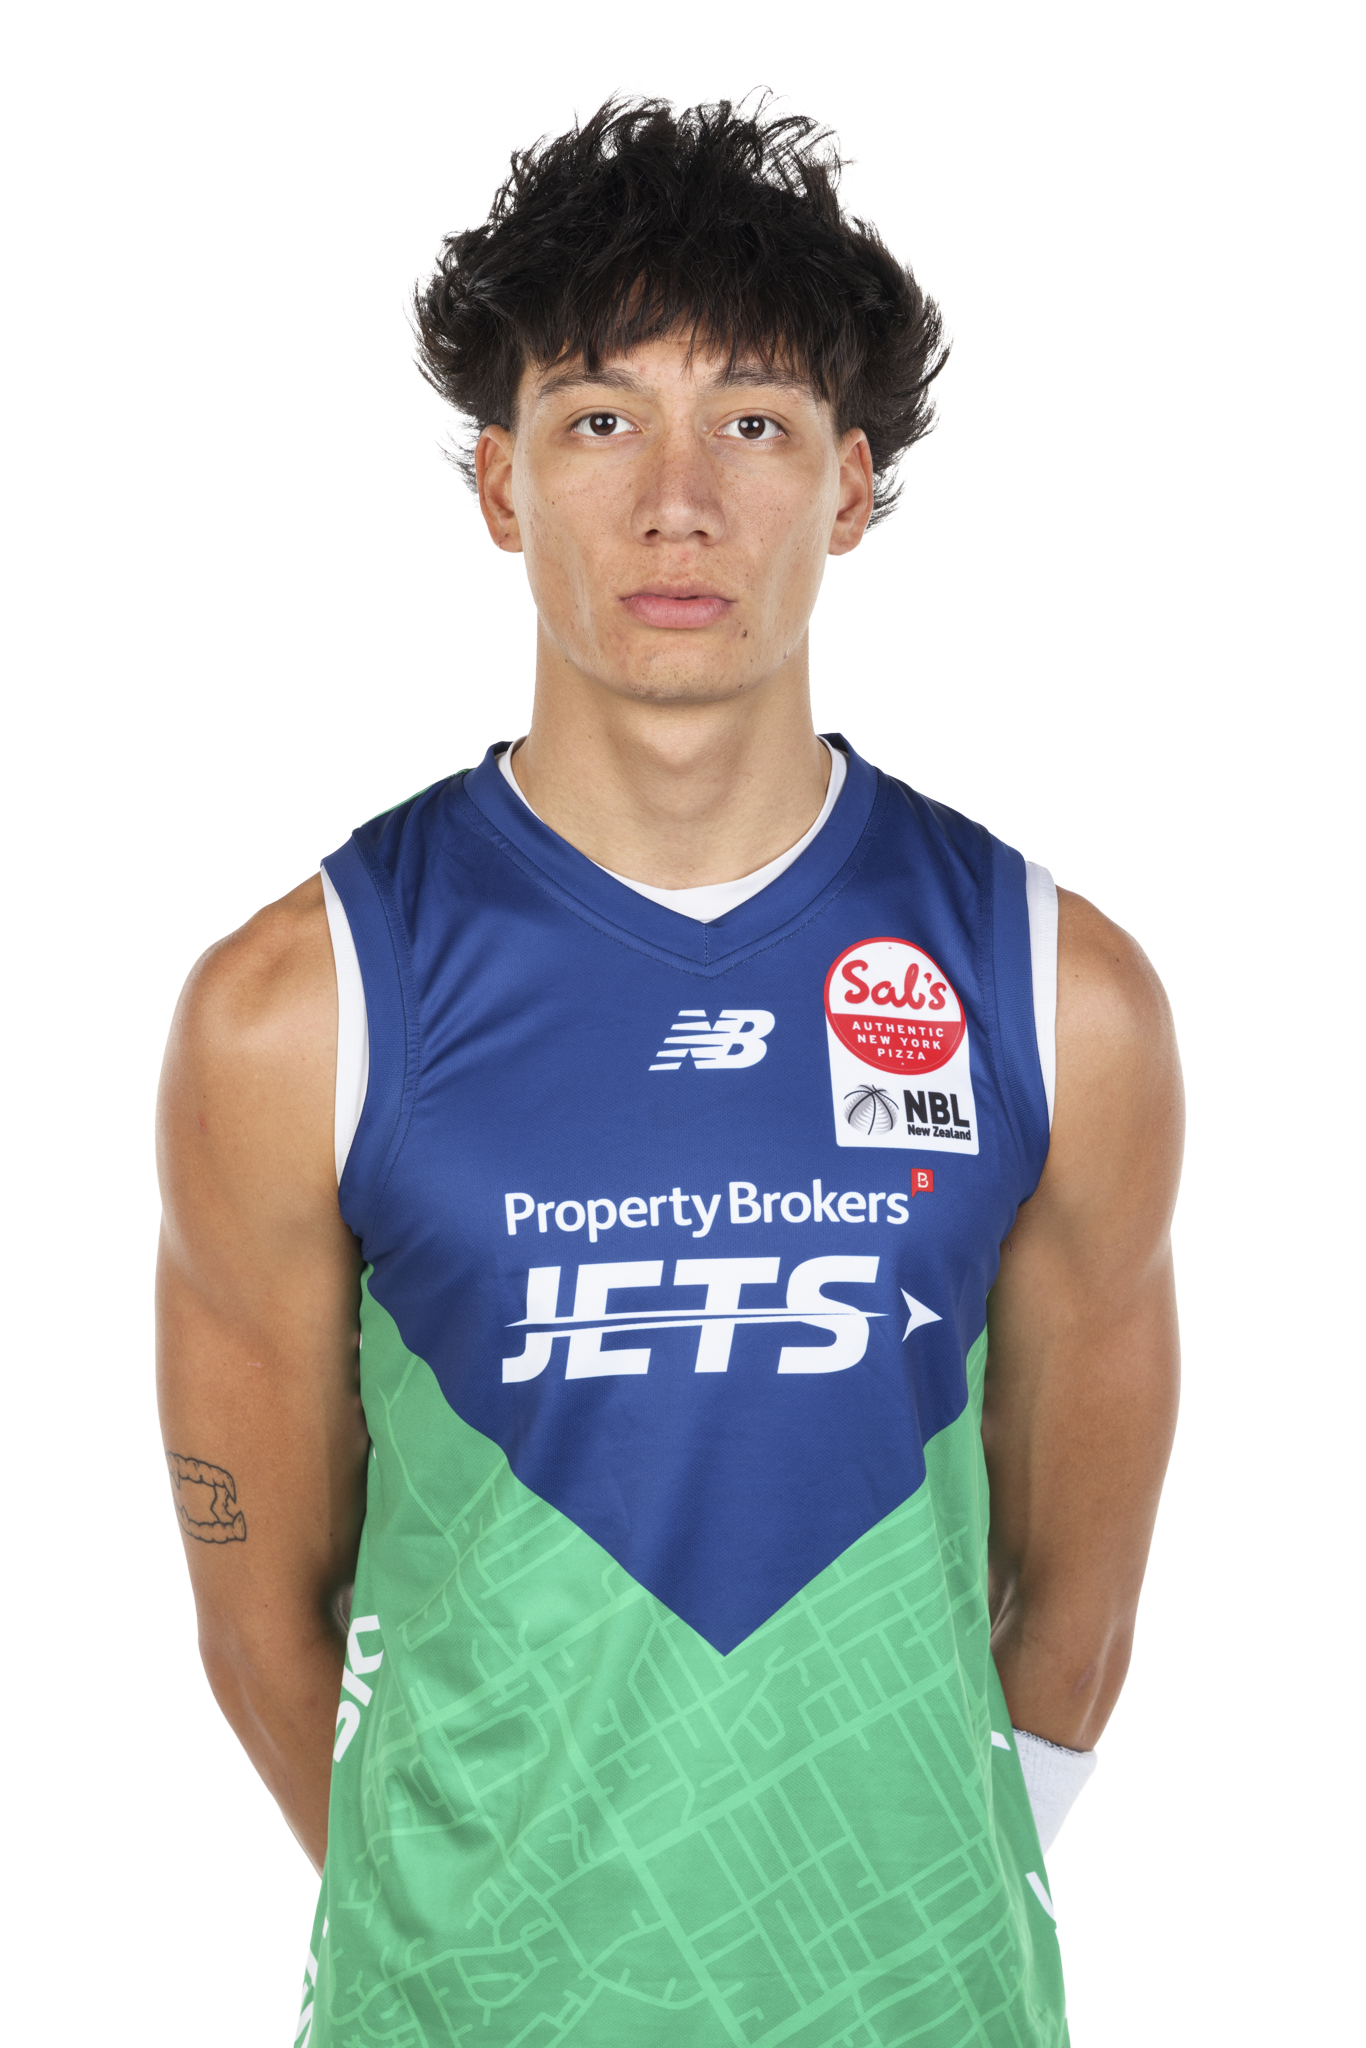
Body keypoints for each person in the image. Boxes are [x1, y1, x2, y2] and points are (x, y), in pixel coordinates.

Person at [154, 86, 1183, 2048]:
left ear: (852, 489)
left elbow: (1074, 1594)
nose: (679, 503)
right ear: (499, 484)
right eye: (601, 419)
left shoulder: (1056, 992)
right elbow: (257, 1612)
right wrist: (473, 1938)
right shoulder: (295, 1005)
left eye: (756, 423)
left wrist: (934, 1877)